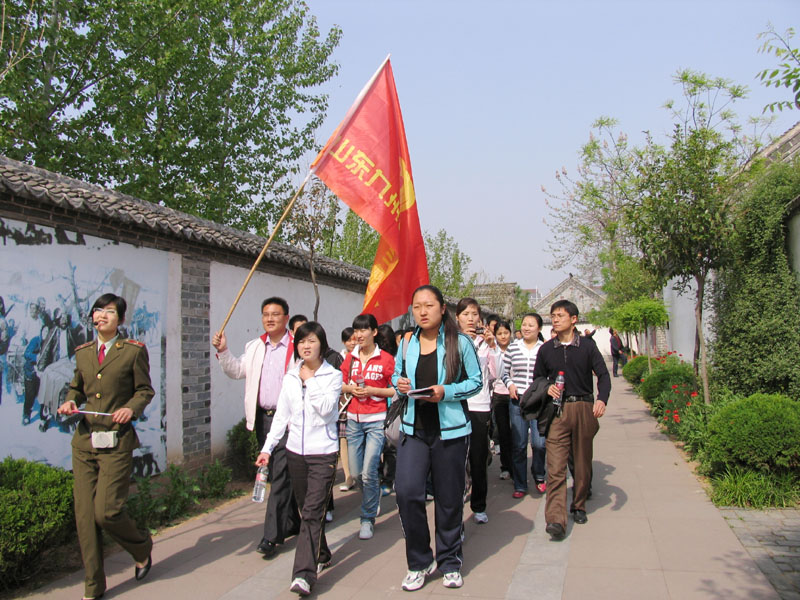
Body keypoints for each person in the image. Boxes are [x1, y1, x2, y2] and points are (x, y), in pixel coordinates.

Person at [56, 293, 154, 600]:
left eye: (109, 312)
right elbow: (77, 387)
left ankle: (142, 547)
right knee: (85, 518)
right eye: (97, 311)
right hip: (85, 442)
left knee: (107, 512)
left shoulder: (133, 351)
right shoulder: (83, 353)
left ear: (120, 319)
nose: (101, 316)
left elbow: (144, 390)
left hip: (116, 440)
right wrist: (70, 401)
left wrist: (130, 408)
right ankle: (93, 588)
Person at [392, 285, 482, 591]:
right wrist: (400, 383)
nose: (422, 311)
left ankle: (450, 561)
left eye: (429, 305)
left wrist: (447, 392)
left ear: (443, 309)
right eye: (417, 306)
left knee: (449, 498)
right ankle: (419, 562)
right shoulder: (407, 342)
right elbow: (396, 375)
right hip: (413, 430)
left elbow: (476, 382)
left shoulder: (459, 342)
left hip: (450, 432)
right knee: (407, 493)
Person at [255, 322, 342, 597]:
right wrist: (267, 449)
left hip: (323, 453)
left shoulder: (333, 376)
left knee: (313, 511)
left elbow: (326, 409)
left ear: (322, 345)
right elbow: (282, 416)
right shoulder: (291, 376)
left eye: (312, 341)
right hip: (295, 453)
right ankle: (322, 552)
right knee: (307, 510)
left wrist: (310, 380)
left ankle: (304, 574)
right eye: (302, 341)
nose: (306, 345)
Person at [211, 297, 300, 558]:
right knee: (275, 472)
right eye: (266, 314)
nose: (270, 318)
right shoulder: (254, 347)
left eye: (275, 314)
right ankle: (293, 521)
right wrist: (224, 351)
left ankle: (271, 536)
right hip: (264, 419)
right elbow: (237, 371)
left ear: (286, 318)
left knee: (281, 473)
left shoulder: (297, 346)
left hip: (289, 420)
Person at [533, 300, 610, 541]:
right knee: (555, 467)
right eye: (553, 316)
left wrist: (602, 399)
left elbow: (603, 375)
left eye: (560, 315)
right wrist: (546, 388)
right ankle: (555, 519)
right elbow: (537, 379)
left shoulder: (587, 347)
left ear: (573, 319)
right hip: (557, 411)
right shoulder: (546, 350)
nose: (555, 320)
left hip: (584, 407)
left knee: (582, 461)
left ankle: (578, 505)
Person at [340, 314, 396, 540]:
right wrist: (350, 389)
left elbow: (395, 390)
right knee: (356, 473)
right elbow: (339, 384)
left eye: (363, 330)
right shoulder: (351, 358)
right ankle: (373, 496)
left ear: (374, 332)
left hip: (376, 420)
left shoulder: (386, 359)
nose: (359, 335)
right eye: (356, 330)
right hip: (354, 419)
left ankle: (367, 518)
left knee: (370, 469)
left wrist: (374, 391)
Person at [455, 298, 500, 524]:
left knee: (478, 458)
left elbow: (497, 374)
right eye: (466, 314)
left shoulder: (486, 344)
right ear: (457, 318)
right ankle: (457, 499)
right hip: (456, 405)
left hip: (479, 406)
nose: (470, 319)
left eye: (474, 314)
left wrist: (493, 347)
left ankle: (479, 505)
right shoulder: (451, 341)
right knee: (456, 458)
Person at [502, 313, 547, 498]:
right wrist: (510, 384)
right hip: (517, 401)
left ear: (539, 328)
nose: (526, 328)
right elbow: (504, 372)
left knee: (539, 443)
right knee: (519, 445)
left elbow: (549, 374)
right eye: (524, 324)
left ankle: (539, 474)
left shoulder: (544, 349)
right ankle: (520, 484)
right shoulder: (513, 347)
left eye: (531, 325)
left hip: (538, 401)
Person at [376, 323, 398, 496]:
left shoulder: (397, 360)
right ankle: (379, 478)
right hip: (376, 407)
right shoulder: (373, 359)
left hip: (392, 406)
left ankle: (388, 478)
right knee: (377, 445)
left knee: (389, 445)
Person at [491, 319, 514, 481]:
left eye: (506, 333)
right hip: (499, 395)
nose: (503, 336)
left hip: (515, 395)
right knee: (504, 432)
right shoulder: (492, 350)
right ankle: (506, 466)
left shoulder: (516, 349)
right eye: (499, 333)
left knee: (516, 432)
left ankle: (517, 465)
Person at [337, 327, 357, 492]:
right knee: (343, 440)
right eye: (349, 340)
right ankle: (348, 476)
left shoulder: (362, 357)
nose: (352, 343)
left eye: (354, 339)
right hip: (344, 405)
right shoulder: (339, 358)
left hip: (360, 405)